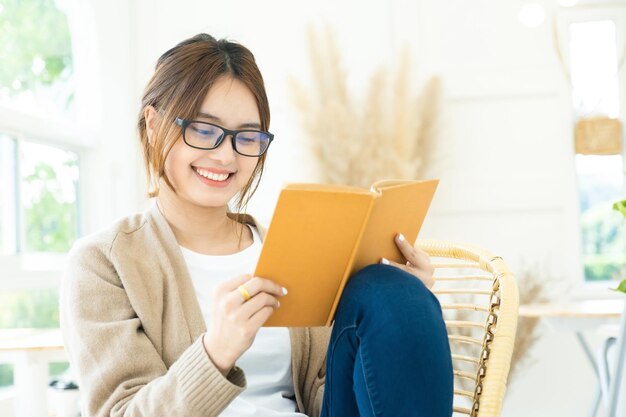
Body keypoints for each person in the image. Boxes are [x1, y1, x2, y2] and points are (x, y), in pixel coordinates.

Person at [60, 33, 453, 417]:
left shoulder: (292, 247)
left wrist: (401, 308)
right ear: (153, 123)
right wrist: (216, 351)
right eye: (203, 129)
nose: (226, 155)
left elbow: (325, 391)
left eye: (246, 137)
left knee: (391, 290)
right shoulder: (104, 263)